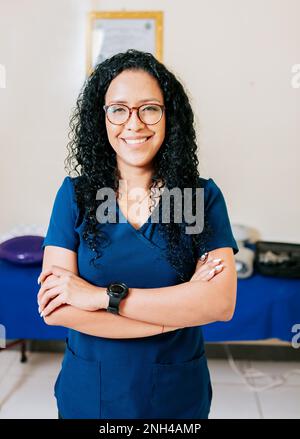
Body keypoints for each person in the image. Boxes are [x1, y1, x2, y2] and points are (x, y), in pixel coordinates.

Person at [37, 49, 239, 420]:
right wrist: (176, 314)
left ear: (168, 117)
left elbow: (220, 304)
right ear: (102, 119)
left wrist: (98, 297)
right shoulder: (77, 196)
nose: (134, 123)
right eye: (118, 109)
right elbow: (57, 309)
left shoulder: (194, 198)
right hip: (92, 391)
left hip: (174, 393)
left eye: (149, 108)